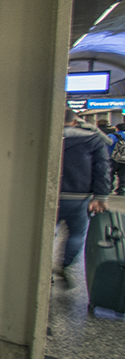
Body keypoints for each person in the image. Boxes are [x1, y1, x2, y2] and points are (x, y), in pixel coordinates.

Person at [57, 107, 111, 282]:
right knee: (77, 234)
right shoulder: (93, 139)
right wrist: (101, 196)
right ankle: (64, 264)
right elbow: (102, 168)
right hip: (79, 197)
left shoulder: (50, 135)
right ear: (75, 121)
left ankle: (43, 266)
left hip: (50, 195)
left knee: (45, 233)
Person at [112, 123, 125, 195]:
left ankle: (109, 188)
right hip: (124, 159)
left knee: (110, 174)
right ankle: (121, 189)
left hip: (113, 158)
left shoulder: (112, 136)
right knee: (123, 175)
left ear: (117, 128)